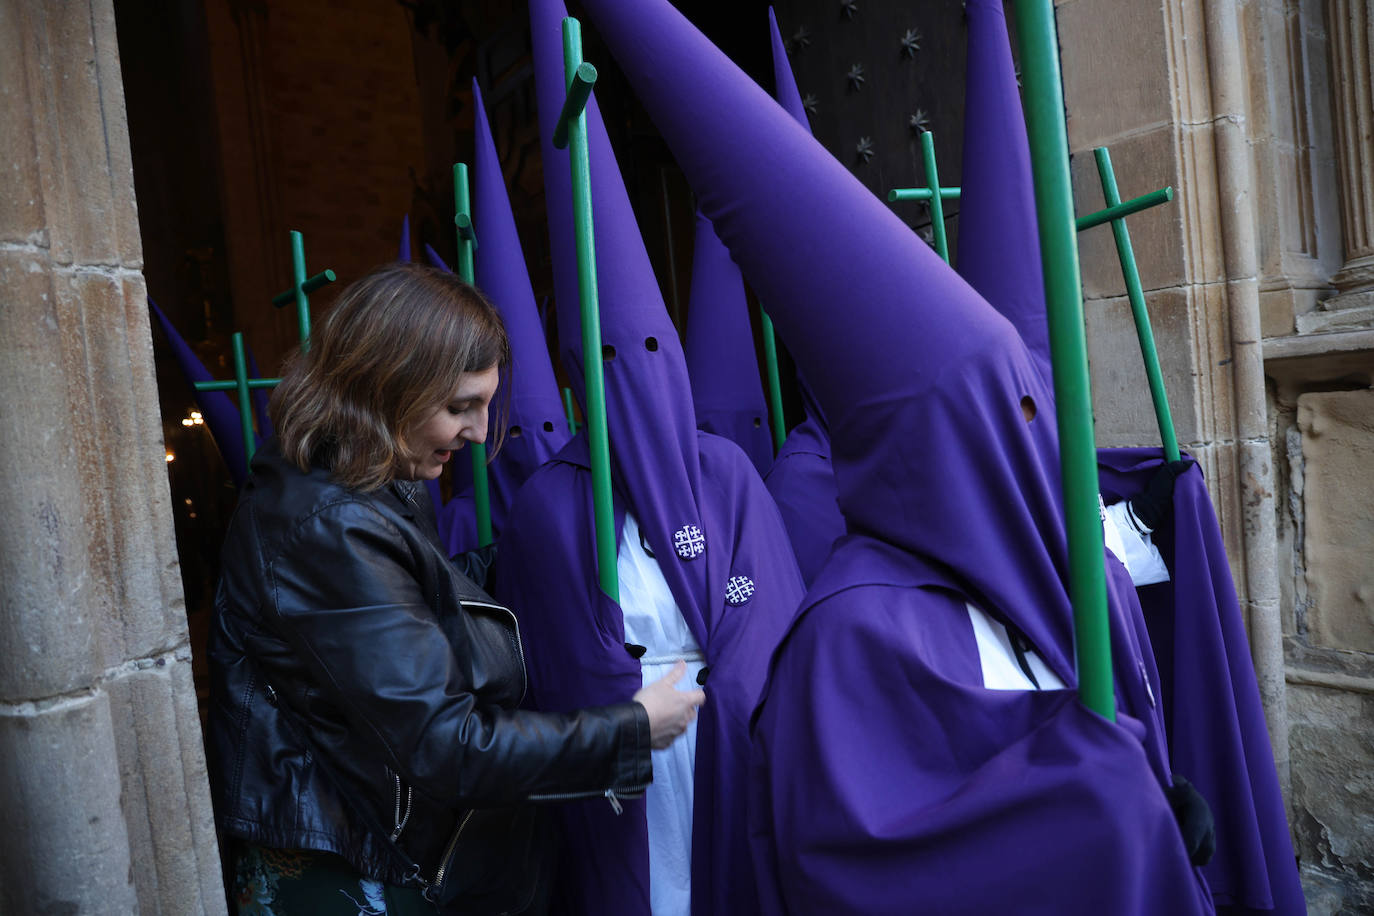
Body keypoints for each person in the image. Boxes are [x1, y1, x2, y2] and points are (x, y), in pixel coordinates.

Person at [206, 261, 705, 915]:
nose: (475, 433)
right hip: (359, 869)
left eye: (485, 405)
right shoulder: (328, 523)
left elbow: (414, 596)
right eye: (458, 407)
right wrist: (633, 729)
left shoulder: (353, 482)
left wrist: (548, 547)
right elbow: (447, 745)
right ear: (384, 387)